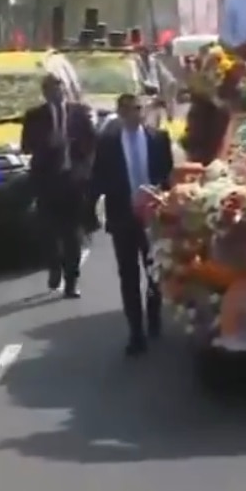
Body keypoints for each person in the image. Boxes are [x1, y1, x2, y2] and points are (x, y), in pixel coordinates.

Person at [91, 92, 174, 356]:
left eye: (138, 108)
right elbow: (98, 178)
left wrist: (165, 202)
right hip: (123, 218)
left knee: (155, 271)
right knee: (128, 276)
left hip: (154, 219)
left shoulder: (158, 139)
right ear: (120, 113)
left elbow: (168, 178)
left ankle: (154, 314)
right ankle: (135, 332)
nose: (134, 114)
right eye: (127, 109)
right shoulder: (107, 143)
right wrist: (90, 212)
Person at [21, 74, 96, 296]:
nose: (57, 92)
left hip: (73, 181)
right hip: (47, 181)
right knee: (49, 231)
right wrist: (46, 143)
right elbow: (26, 146)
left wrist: (85, 168)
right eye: (51, 89)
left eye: (59, 88)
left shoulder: (79, 113)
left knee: (72, 233)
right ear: (44, 92)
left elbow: (92, 142)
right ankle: (54, 266)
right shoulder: (34, 116)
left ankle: (72, 281)